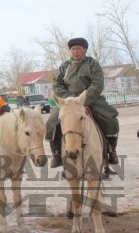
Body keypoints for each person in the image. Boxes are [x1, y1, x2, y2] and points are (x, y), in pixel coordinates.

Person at [46, 37, 120, 168]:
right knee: (51, 122)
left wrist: (82, 99)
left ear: (85, 50)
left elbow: (97, 84)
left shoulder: (92, 64)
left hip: (90, 99)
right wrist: (69, 99)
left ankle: (111, 151)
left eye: (78, 49)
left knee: (110, 118)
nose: (75, 52)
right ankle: (56, 153)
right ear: (70, 51)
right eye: (73, 49)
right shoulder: (64, 66)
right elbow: (56, 84)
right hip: (68, 102)